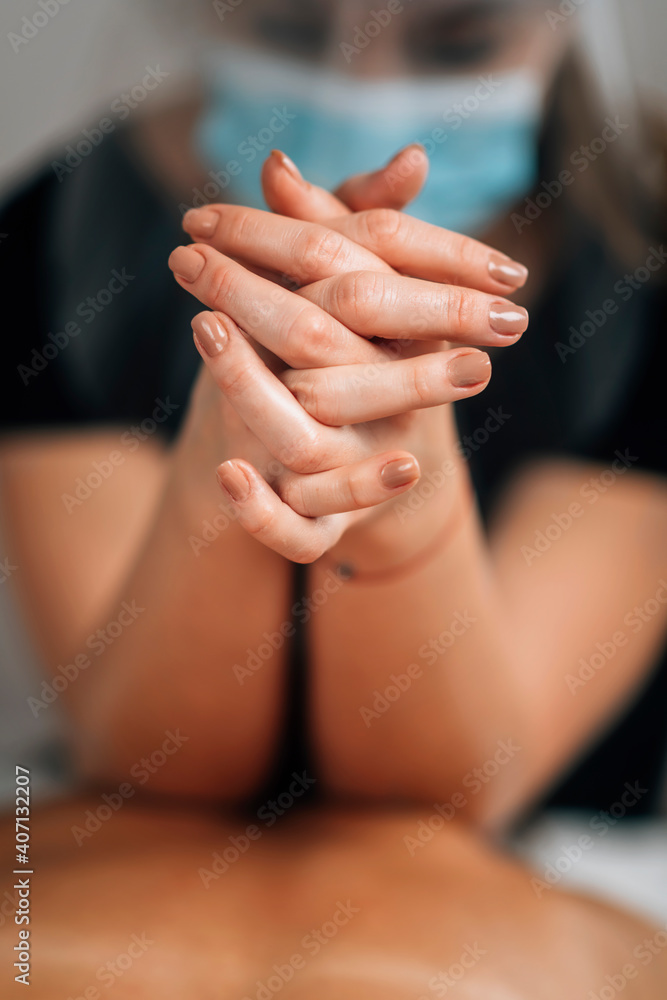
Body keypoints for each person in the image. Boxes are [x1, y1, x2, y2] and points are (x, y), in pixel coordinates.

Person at [0, 0, 666, 993]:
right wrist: (232, 443)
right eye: (289, 31)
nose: (369, 89)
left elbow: (454, 792)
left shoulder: (645, 252)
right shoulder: (56, 234)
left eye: (458, 42)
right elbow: (156, 762)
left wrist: (404, 493)